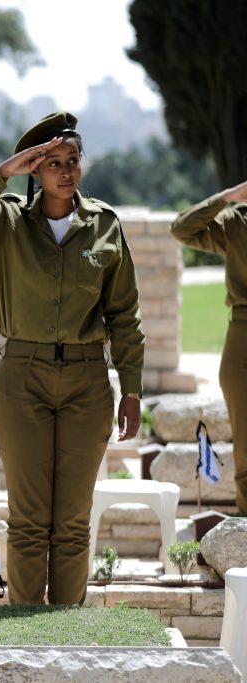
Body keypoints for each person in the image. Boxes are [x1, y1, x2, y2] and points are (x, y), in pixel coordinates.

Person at [0, 112, 145, 605]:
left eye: (72, 160)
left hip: (87, 380)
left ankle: (66, 626)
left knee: (73, 518)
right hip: (23, 379)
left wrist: (133, 388)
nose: (65, 171)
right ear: (34, 170)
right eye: (51, 162)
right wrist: (1, 175)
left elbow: (124, 315)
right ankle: (24, 626)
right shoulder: (9, 220)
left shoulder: (104, 226)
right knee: (30, 516)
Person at [170, 180, 247, 511]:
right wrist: (228, 198)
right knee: (246, 451)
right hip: (242, 336)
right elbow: (182, 229)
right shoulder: (236, 222)